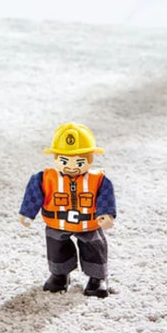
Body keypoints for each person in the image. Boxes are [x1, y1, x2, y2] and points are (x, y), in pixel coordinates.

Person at [18, 123, 116, 298]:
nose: (71, 167)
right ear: (55, 158)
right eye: (64, 161)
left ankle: (97, 278)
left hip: (89, 224)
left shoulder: (99, 180)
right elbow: (34, 195)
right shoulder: (44, 178)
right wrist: (27, 213)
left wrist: (106, 214)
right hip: (57, 223)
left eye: (79, 162)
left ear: (91, 158)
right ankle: (59, 274)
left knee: (95, 248)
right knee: (56, 248)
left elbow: (105, 198)